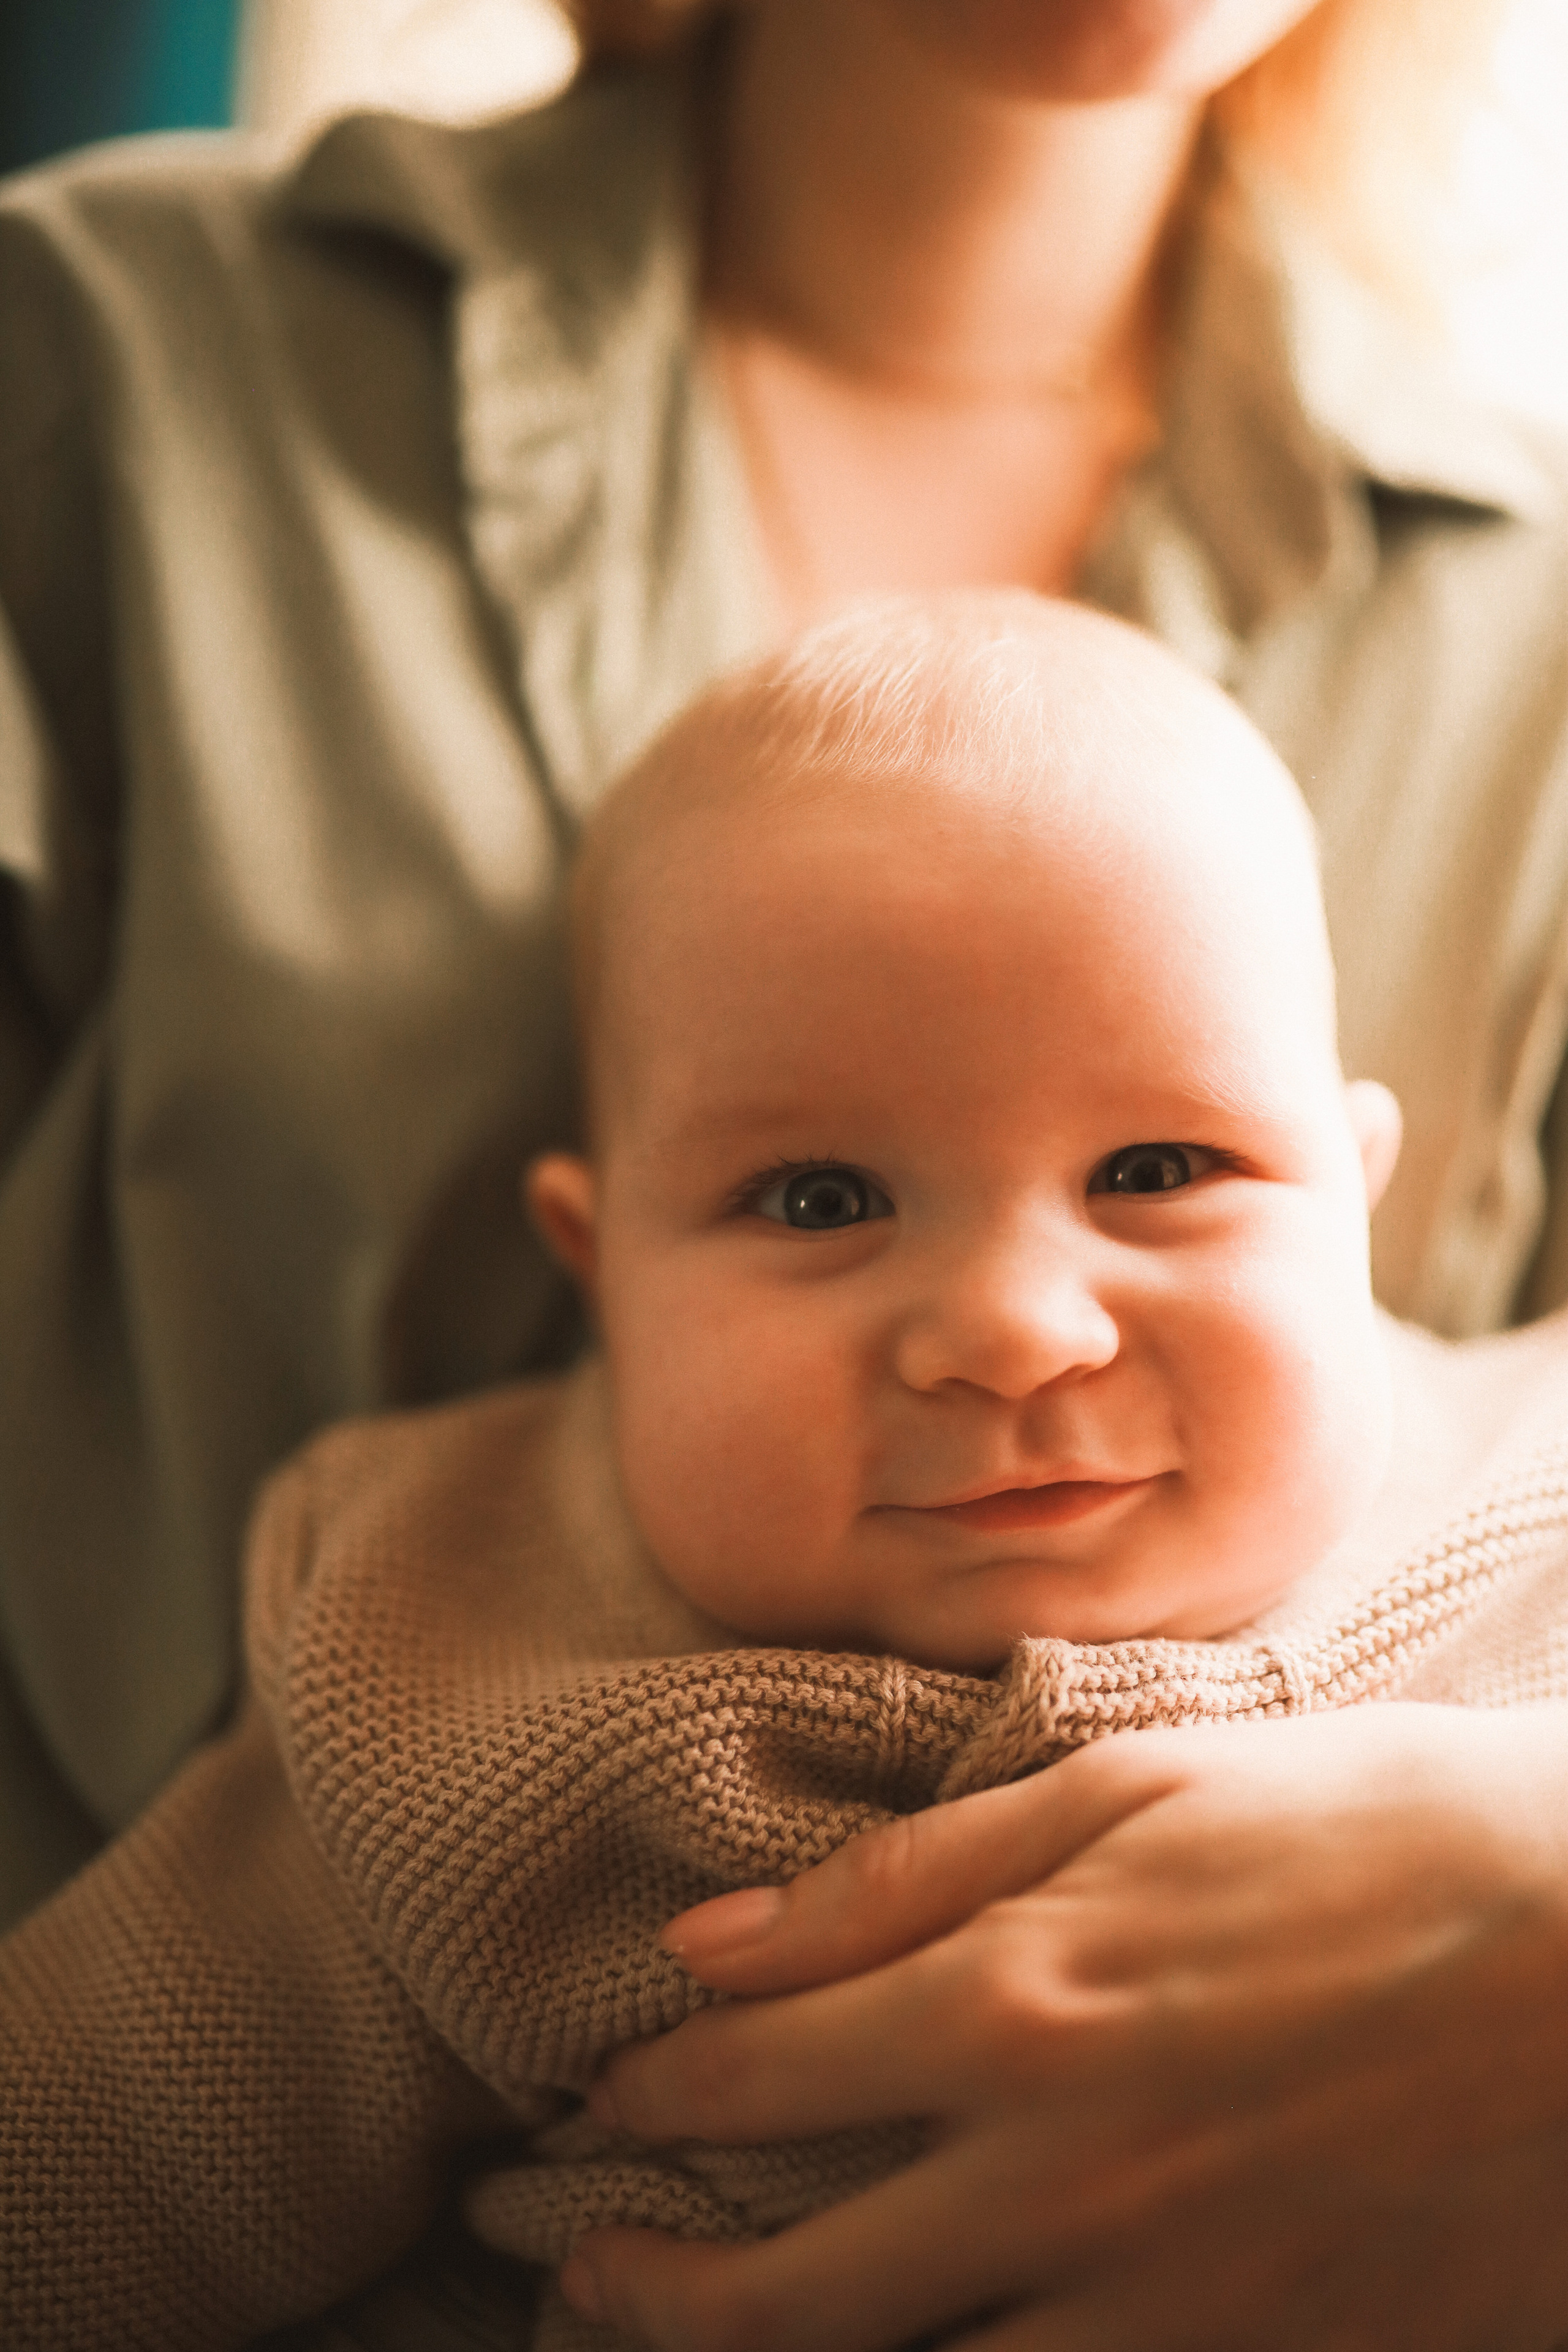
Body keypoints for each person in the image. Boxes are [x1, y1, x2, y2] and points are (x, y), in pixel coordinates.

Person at [3, 0, 1568, 2342]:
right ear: (594, 1262)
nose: (1028, 1327)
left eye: (1164, 1168)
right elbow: (103, 2139)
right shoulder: (448, 1716)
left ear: (1361, 1187)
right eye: (822, 1202)